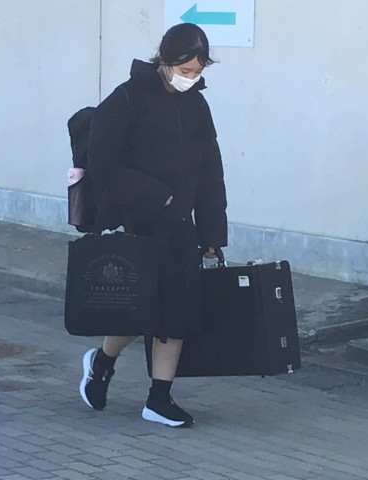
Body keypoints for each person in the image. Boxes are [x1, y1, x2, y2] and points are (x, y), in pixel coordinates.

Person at [79, 22, 228, 427]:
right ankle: (102, 362)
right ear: (164, 60)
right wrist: (154, 194)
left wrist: (212, 233)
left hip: (179, 224)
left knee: (176, 310)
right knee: (141, 309)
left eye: (197, 71)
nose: (191, 78)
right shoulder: (127, 98)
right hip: (136, 222)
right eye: (184, 69)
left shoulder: (196, 106)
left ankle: (159, 399)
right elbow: (103, 164)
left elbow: (210, 173)